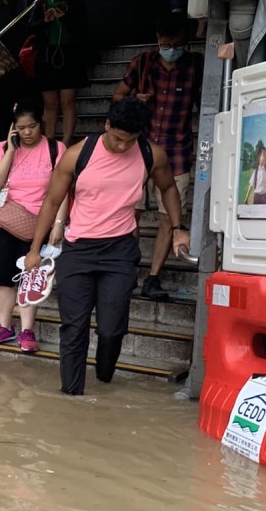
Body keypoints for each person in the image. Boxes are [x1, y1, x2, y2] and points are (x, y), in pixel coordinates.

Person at [24, 98, 190, 397]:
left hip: (120, 251)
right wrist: (35, 249)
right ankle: (71, 395)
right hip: (78, 250)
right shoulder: (78, 154)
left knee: (111, 329)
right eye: (117, 138)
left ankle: (103, 375)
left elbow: (168, 188)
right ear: (107, 125)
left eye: (130, 140)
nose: (122, 146)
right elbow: (51, 201)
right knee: (74, 327)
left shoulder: (151, 154)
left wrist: (178, 229)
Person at [113, 14, 202, 301]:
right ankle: (128, 271)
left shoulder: (196, 66)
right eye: (165, 45)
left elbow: (210, 104)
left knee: (169, 218)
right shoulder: (142, 63)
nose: (171, 50)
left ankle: (153, 277)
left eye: (176, 45)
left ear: (186, 42)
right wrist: (133, 100)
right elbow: (117, 97)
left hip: (177, 152)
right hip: (139, 150)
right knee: (130, 213)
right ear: (157, 40)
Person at [0, 103, 65, 353]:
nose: (27, 132)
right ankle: (4, 326)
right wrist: (10, 150)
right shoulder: (3, 147)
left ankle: (27, 330)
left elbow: (63, 190)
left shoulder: (55, 149)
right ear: (13, 128)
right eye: (21, 128)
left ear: (42, 124)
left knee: (31, 276)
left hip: (38, 223)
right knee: (3, 277)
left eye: (32, 126)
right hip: (5, 221)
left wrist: (58, 223)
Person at [32, 0, 88, 145]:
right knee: (50, 103)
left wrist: (64, 17)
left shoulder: (75, 2)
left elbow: (83, 28)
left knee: (67, 101)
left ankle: (66, 141)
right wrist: (45, 20)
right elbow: (31, 28)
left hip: (70, 53)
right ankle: (49, 141)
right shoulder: (41, 3)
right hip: (47, 55)